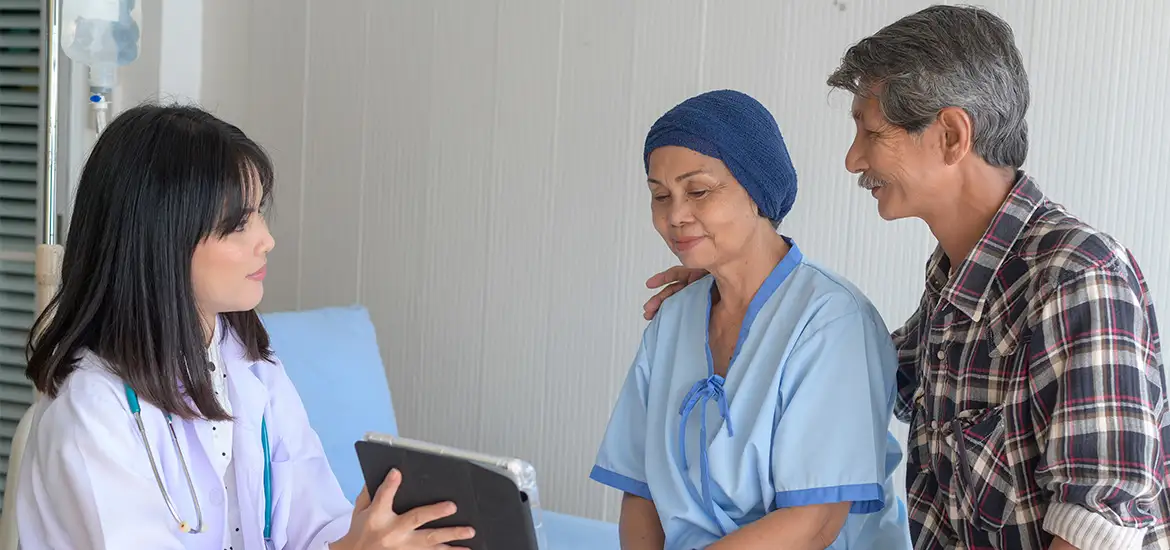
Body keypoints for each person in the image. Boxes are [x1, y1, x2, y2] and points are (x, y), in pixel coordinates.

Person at [641, 6, 1170, 550]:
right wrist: (738, 288)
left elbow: (1102, 523)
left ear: (950, 135)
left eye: (870, 131)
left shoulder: (1078, 275)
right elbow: (858, 375)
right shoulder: (954, 278)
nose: (852, 159)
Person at [15, 104, 475, 550]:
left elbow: (313, 522)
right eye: (238, 224)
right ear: (161, 243)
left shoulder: (251, 365)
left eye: (259, 213)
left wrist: (371, 537)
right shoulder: (92, 414)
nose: (267, 240)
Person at [589, 89, 911, 550]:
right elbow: (640, 490)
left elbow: (814, 521)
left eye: (698, 191)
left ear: (756, 192)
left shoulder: (832, 321)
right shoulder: (674, 317)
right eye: (660, 196)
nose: (675, 215)